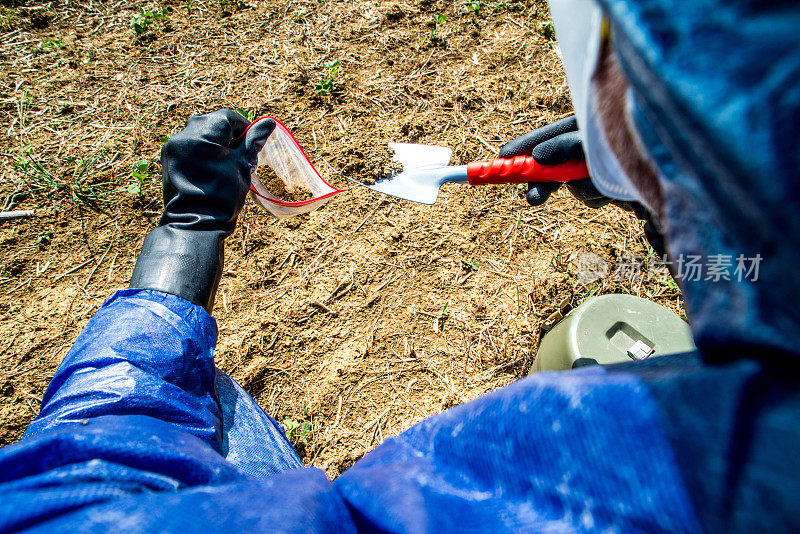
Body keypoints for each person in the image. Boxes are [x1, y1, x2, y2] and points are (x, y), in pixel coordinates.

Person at [2, 0, 799, 531]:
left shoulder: (572, 484)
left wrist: (188, 231)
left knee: (195, 396)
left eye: (620, 72)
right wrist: (679, 214)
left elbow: (87, 479)